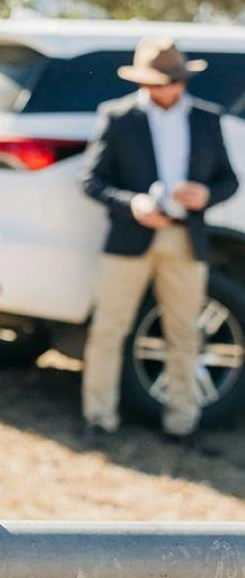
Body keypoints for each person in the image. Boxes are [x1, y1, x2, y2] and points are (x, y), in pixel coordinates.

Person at [79, 38, 238, 446]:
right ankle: (99, 418)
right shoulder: (118, 117)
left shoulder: (206, 118)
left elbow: (228, 181)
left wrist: (205, 195)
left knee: (185, 333)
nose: (167, 89)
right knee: (109, 330)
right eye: (159, 82)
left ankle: (182, 422)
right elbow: (92, 181)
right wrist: (133, 204)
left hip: (186, 238)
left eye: (173, 81)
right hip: (131, 236)